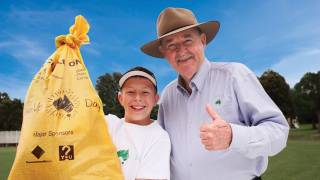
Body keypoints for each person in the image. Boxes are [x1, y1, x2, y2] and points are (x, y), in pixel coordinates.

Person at [140, 7, 289, 180]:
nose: (181, 52)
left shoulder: (235, 75)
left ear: (202, 41)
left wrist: (232, 136)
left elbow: (279, 132)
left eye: (187, 41)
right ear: (164, 53)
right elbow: (161, 146)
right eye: (171, 45)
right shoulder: (167, 96)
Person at [105, 66, 171, 180]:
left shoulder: (159, 137)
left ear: (156, 99)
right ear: (121, 98)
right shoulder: (109, 124)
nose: (137, 98)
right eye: (130, 92)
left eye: (145, 92)